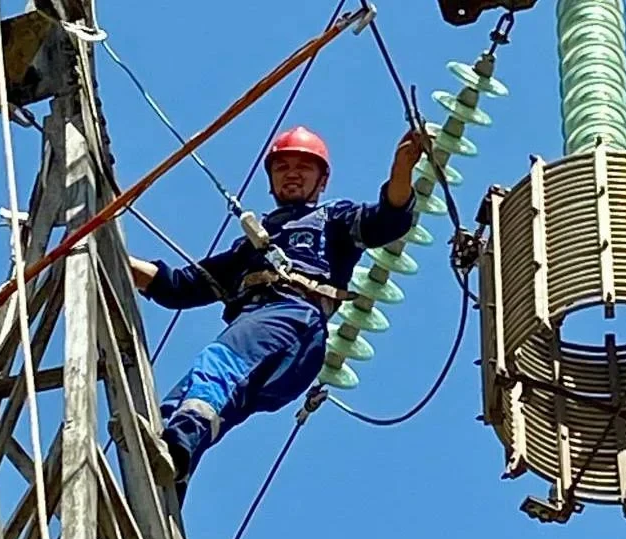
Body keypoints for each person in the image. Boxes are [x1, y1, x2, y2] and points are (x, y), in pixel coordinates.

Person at [128, 125, 426, 500]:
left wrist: (402, 169)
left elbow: (388, 220)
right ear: (270, 180)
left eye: (304, 167)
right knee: (199, 396)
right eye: (282, 167)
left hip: (292, 317)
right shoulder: (248, 249)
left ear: (322, 180)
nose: (292, 174)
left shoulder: (332, 219)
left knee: (219, 365)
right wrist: (114, 258)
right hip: (274, 343)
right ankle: (172, 474)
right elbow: (179, 286)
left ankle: (177, 443)